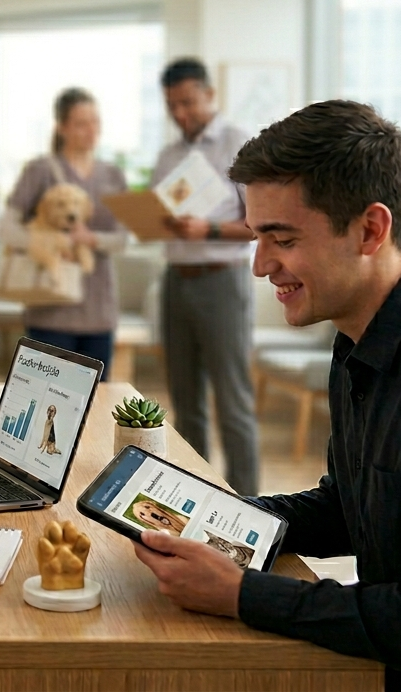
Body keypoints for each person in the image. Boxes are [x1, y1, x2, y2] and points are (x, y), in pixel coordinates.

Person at [131, 100, 401, 691]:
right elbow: (349, 507)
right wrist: (214, 518)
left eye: (281, 239)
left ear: (370, 229)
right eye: (258, 237)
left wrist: (243, 594)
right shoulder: (359, 338)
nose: (261, 266)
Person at [151, 57, 260, 496]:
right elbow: (165, 214)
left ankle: (250, 506)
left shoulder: (239, 144)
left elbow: (259, 224)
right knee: (185, 403)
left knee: (233, 405)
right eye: (172, 105)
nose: (181, 113)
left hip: (223, 281)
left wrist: (209, 229)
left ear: (210, 96)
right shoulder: (167, 156)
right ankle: (195, 498)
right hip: (176, 281)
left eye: (188, 102)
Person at [0, 87, 127, 375]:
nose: (91, 130)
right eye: (82, 124)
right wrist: (53, 242)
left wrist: (91, 239)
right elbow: (7, 229)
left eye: (95, 121)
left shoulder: (113, 175)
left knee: (97, 399)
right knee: (43, 400)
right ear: (62, 127)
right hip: (49, 308)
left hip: (99, 310)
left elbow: (122, 239)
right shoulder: (40, 170)